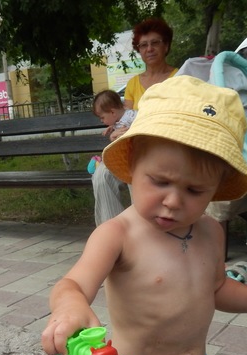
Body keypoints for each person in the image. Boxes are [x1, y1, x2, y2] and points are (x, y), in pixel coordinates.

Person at [41, 76, 247, 355]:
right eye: (160, 181)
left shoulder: (210, 230)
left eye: (195, 190)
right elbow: (73, 284)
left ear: (216, 188)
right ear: (133, 164)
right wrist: (69, 306)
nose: (174, 201)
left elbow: (216, 288)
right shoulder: (117, 235)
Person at [92, 17, 178, 226]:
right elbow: (125, 118)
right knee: (101, 175)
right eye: (143, 45)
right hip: (135, 147)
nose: (149, 49)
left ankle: (142, 232)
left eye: (155, 43)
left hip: (165, 148)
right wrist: (116, 133)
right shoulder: (133, 83)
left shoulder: (179, 78)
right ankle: (110, 232)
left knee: (137, 174)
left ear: (166, 46)